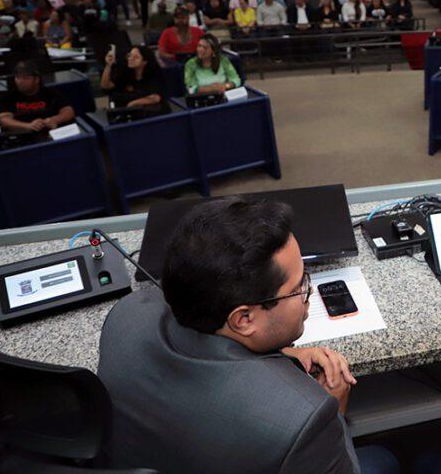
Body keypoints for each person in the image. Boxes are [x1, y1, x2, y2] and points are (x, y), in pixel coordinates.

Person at [98, 198, 399, 473]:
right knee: (384, 460)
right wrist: (336, 414)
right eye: (299, 288)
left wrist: (282, 356)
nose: (309, 295)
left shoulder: (128, 315)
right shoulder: (306, 419)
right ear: (243, 319)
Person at [0, 61, 74, 132]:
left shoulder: (50, 93)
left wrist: (54, 120)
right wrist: (28, 126)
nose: (20, 81)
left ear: (36, 79)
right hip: (22, 136)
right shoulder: (7, 96)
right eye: (17, 77)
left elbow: (68, 111)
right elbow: (4, 120)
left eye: (25, 78)